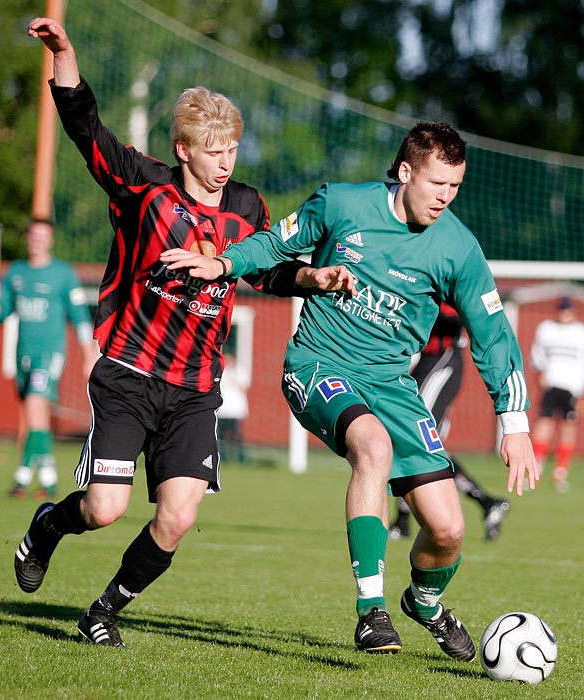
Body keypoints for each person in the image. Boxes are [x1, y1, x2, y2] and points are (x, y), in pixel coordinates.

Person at [16, 17, 353, 649]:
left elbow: (268, 272)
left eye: (231, 150)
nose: (225, 163)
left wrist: (316, 278)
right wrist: (65, 53)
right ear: (183, 149)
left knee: (177, 516)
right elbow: (83, 126)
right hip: (130, 374)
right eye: (212, 151)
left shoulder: (247, 207)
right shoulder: (144, 185)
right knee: (104, 510)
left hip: (196, 388)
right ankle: (46, 529)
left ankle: (103, 611)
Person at [162, 121, 539, 661]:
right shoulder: (342, 203)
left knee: (449, 529)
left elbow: (493, 333)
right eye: (436, 184)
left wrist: (515, 421)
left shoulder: (458, 247)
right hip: (318, 364)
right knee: (374, 448)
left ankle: (425, 604)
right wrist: (223, 262)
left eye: (454, 187)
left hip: (391, 383)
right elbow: (273, 243)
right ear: (405, 171)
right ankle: (371, 611)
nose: (444, 198)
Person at [0, 218, 95, 499]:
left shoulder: (62, 273)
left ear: (51, 240)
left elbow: (79, 316)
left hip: (50, 354)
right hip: (23, 354)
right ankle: (48, 480)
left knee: (35, 408)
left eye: (43, 236)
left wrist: (88, 354)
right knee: (36, 418)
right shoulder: (15, 273)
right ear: (27, 239)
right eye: (34, 236)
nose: (38, 241)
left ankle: (21, 477)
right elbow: (2, 314)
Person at [389, 303, 510, 542]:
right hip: (427, 362)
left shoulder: (444, 282)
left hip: (443, 360)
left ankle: (405, 519)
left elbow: (460, 315)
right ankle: (485, 501)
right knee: (410, 441)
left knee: (416, 438)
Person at [530, 296, 584, 492]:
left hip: (573, 388)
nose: (564, 314)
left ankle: (560, 472)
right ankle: (536, 467)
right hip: (552, 384)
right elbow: (537, 355)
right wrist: (539, 375)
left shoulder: (580, 332)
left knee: (568, 427)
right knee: (544, 423)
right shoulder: (546, 328)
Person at [217, 352, 250, 462]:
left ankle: (241, 457)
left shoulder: (239, 371)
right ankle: (222, 456)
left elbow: (244, 386)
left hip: (235, 411)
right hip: (222, 410)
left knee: (237, 436)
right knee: (221, 436)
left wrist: (233, 377)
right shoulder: (220, 371)